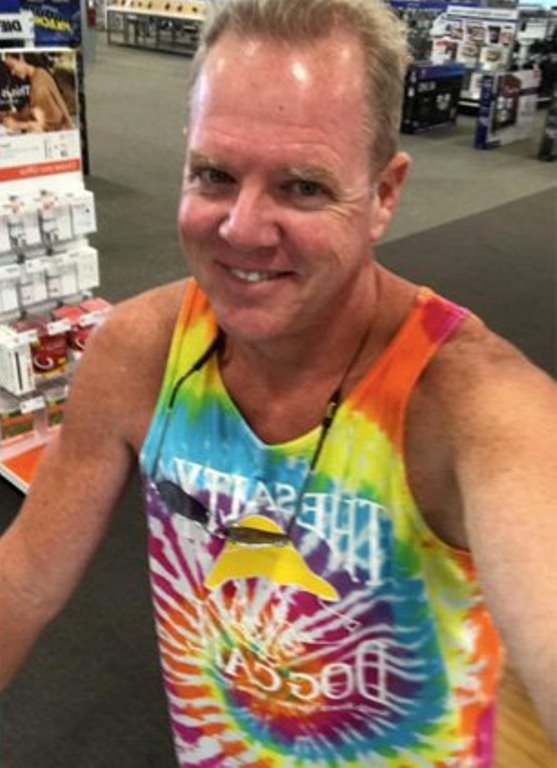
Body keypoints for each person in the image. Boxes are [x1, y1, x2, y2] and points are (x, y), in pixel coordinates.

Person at [1, 0, 556, 764]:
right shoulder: (142, 352)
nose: (241, 228)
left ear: (384, 194)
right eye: (215, 175)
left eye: (302, 187)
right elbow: (25, 576)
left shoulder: (471, 406)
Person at [0, 53, 74, 133]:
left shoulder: (37, 87)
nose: (12, 73)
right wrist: (11, 115)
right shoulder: (40, 72)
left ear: (21, 59)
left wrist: (16, 125)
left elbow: (43, 125)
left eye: (12, 67)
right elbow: (35, 109)